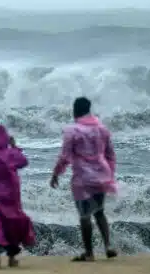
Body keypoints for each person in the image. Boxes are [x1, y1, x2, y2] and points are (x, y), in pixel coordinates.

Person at [50, 96, 118, 262]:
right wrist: (110, 175)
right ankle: (108, 245)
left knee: (85, 215)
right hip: (102, 175)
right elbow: (110, 155)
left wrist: (56, 174)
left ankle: (89, 253)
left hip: (82, 178)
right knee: (100, 212)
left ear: (75, 110)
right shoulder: (102, 128)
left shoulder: (72, 130)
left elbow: (65, 157)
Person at [0, 124, 36, 269]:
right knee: (11, 224)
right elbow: (24, 161)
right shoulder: (12, 154)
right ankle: (11, 258)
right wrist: (14, 147)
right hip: (11, 196)